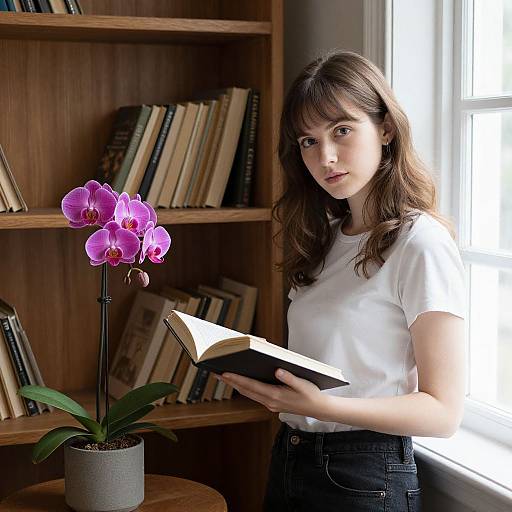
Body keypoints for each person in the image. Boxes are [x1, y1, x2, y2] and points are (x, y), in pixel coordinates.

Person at [216, 50, 466, 511]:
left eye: (342, 131)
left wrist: (323, 407)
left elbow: (444, 411)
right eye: (308, 141)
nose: (325, 156)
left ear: (386, 129)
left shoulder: (420, 243)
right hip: (292, 456)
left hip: (364, 473)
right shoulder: (325, 238)